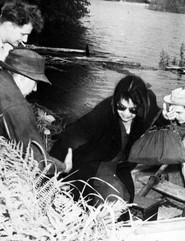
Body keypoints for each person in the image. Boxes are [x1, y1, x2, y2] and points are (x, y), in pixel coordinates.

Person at [50, 74, 167, 204]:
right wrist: (59, 166)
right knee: (113, 200)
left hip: (120, 166)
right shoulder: (104, 112)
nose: (126, 114)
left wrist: (167, 116)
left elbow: (156, 116)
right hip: (98, 162)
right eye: (121, 107)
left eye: (132, 109)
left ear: (141, 105)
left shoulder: (147, 103)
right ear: (116, 101)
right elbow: (71, 136)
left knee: (126, 198)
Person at [0, 48, 72, 173]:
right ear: (23, 78)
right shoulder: (17, 106)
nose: (35, 89)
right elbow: (38, 162)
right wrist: (64, 167)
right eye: (35, 82)